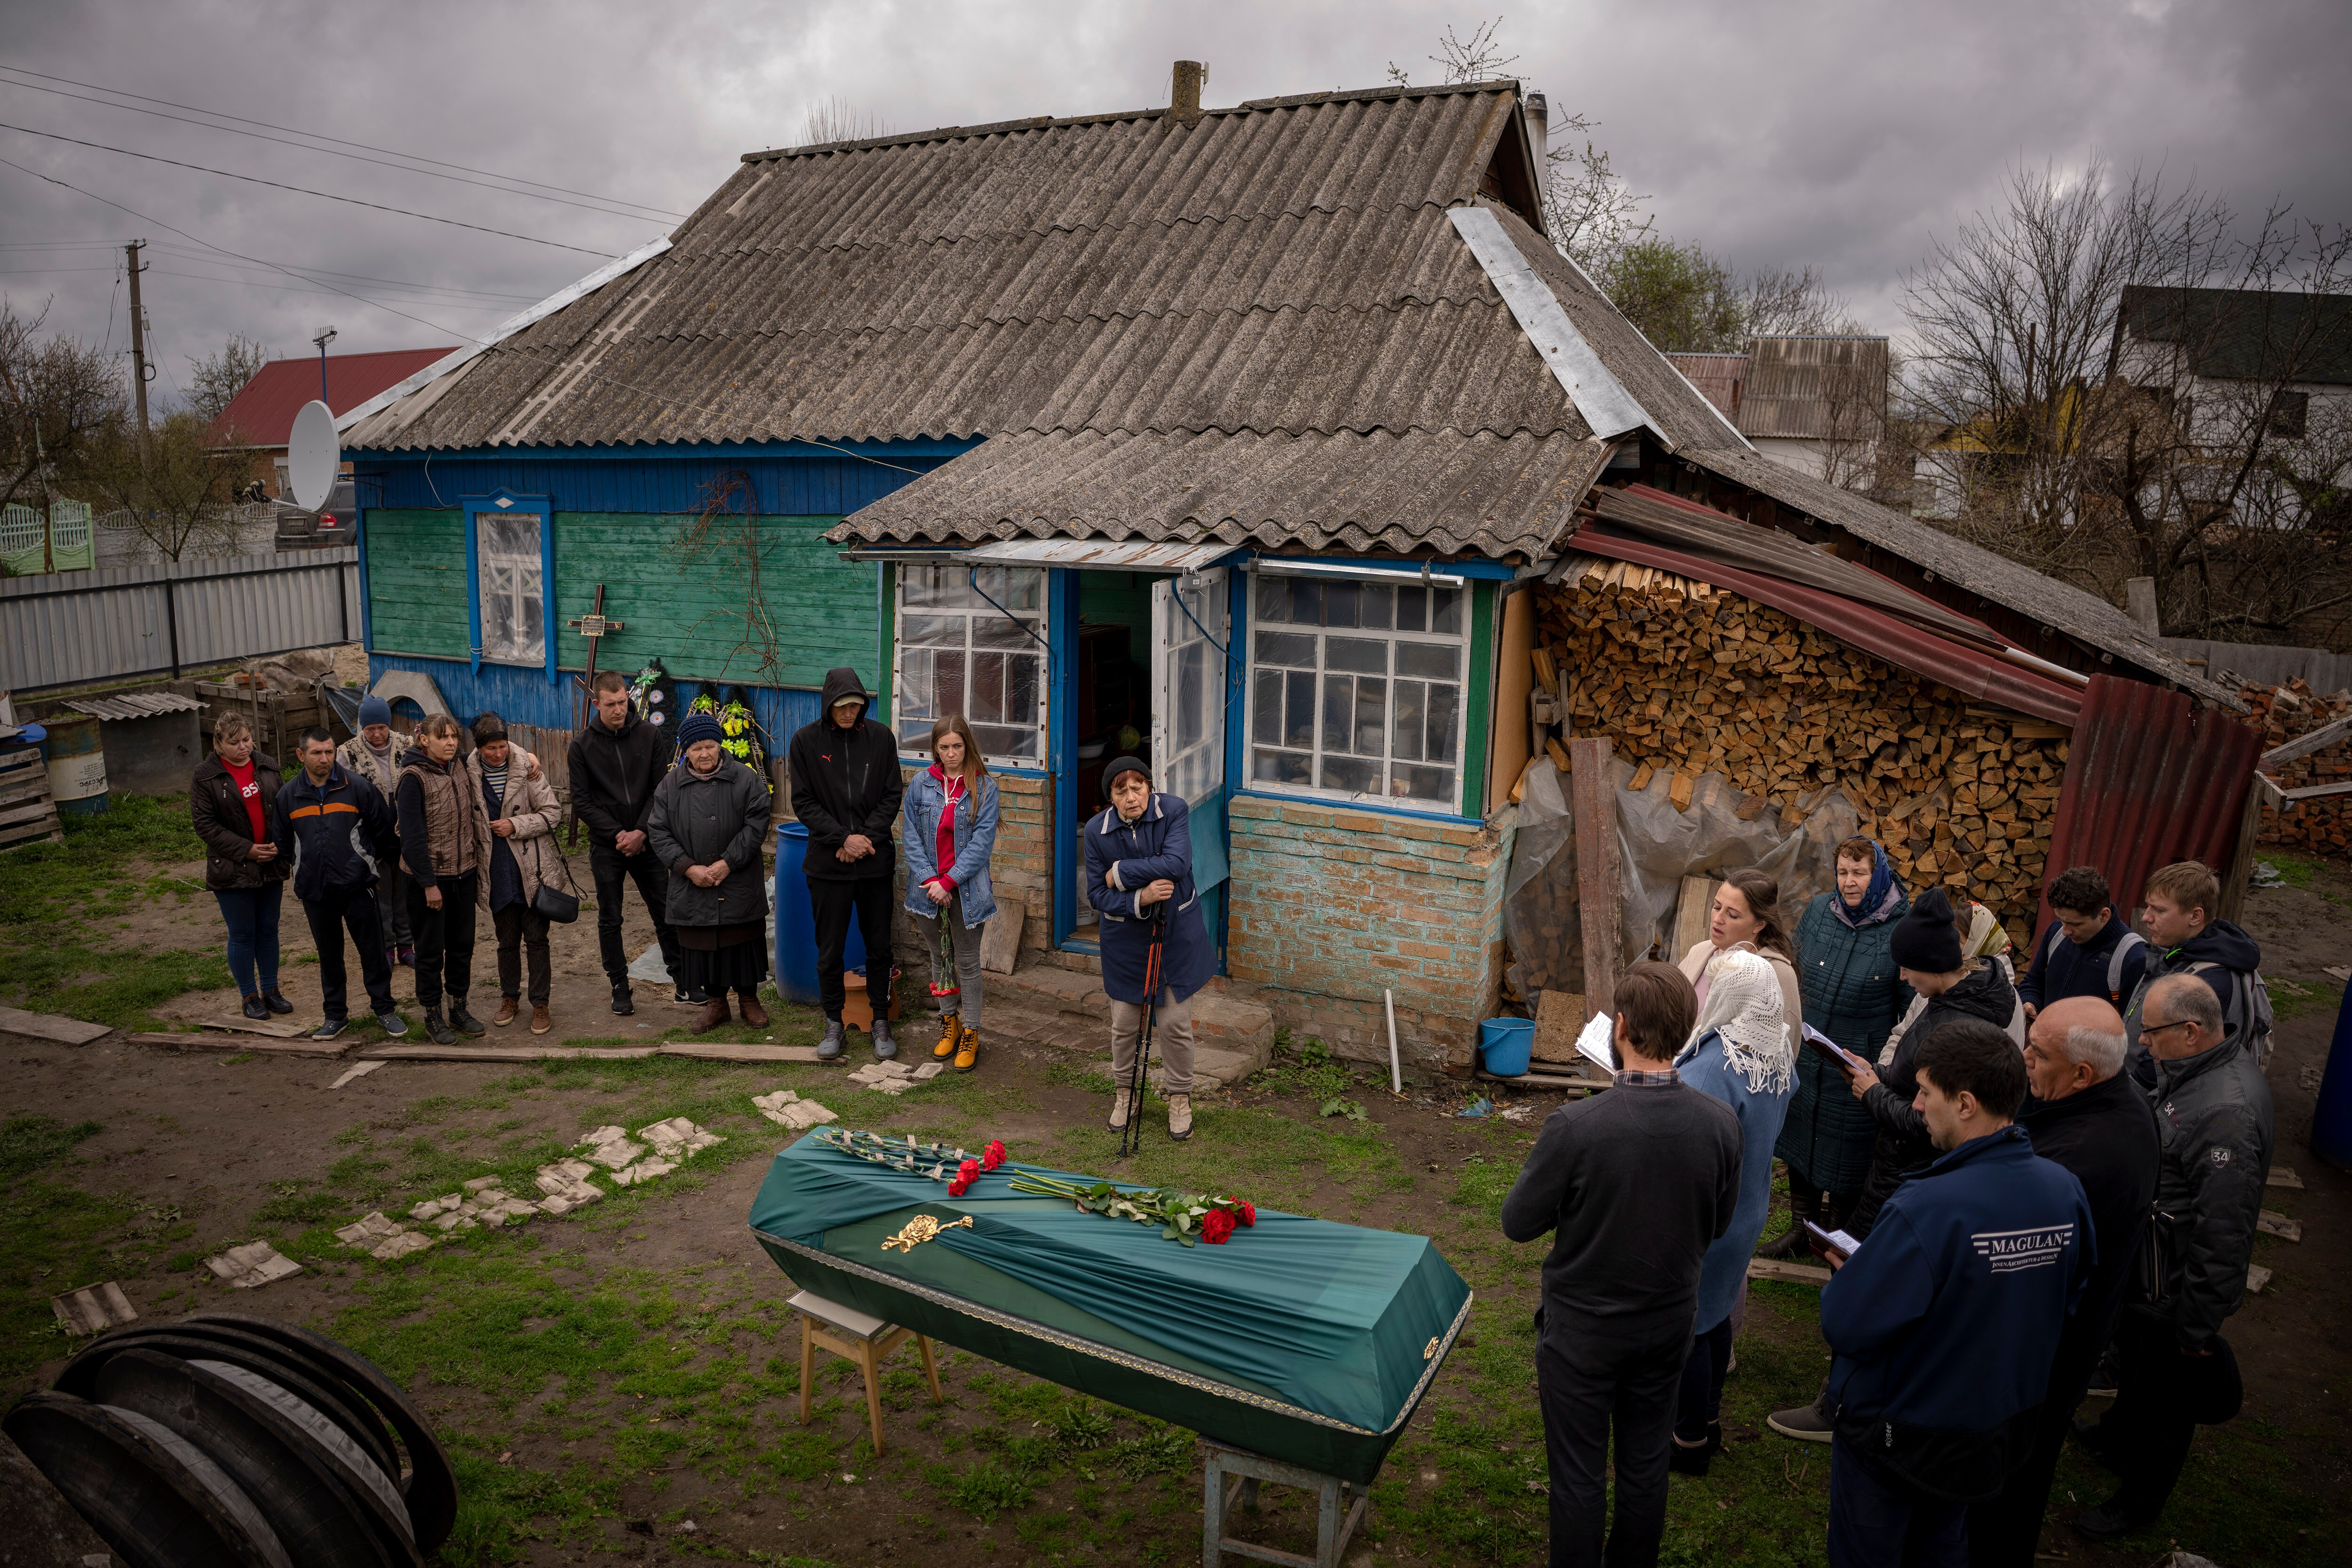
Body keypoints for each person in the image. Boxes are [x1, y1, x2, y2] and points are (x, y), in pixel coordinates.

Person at [1819, 1019, 2094, 1568]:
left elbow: (1846, 1323)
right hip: (1992, 1430)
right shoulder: (2063, 1190)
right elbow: (2069, 1290)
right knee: (1943, 1544)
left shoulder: (1926, 1207)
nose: (1917, 1106)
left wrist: (1855, 1275)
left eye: (1924, 1092)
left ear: (1964, 1103)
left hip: (1901, 1434)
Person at [1501, 962, 1741, 1568]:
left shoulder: (1576, 1128)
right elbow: (1715, 1226)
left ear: (1621, 1029)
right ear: (1686, 1032)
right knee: (1643, 1469)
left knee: (1579, 1478)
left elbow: (1517, 1223)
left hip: (1582, 1333)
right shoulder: (1719, 1126)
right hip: (1665, 1328)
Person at [1770, 887, 2021, 1444]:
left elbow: (1927, 1122)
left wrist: (1868, 1094)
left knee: (1862, 1279)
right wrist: (1877, 1074)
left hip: (1909, 1172)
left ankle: (1842, 1406)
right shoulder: (1946, 1002)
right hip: (1894, 1168)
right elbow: (1914, 1086)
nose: (1903, 978)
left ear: (1934, 964)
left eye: (1909, 968)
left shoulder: (1961, 1028)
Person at [2073, 972, 2273, 1541]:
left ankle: (2138, 1502)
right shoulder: (2194, 1072)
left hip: (2174, 1288)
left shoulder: (2225, 1113)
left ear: (2191, 1031)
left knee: (2166, 1403)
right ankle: (2117, 1435)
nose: (2142, 1042)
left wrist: (2196, 1325)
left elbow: (2224, 1231)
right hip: (2149, 1276)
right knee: (2136, 1369)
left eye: (2152, 1032)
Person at [1967, 996, 2158, 1566]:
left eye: (2037, 1052)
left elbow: (2015, 1258)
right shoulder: (2109, 1103)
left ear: (2082, 1073)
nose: (2023, 1057)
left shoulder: (2085, 1153)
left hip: (2044, 1352)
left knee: (2007, 1483)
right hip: (2057, 1335)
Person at [1669, 949, 1794, 1477]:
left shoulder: (1712, 1069)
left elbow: (1682, 1150)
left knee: (1692, 1326)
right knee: (1718, 1313)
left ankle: (1687, 1439)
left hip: (1706, 1216)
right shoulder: (1774, 1054)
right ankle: (1711, 1418)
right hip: (1747, 1207)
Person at [1776, 837, 1911, 1254]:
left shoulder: (1900, 926)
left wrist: (1886, 1064)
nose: (1849, 883)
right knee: (1802, 1138)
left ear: (1879, 875)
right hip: (1809, 1050)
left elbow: (1908, 1009)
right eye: (1843, 872)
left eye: (1859, 873)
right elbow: (1796, 966)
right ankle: (1802, 1229)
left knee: (1850, 1149)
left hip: (1858, 1061)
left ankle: (1835, 1236)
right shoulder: (1819, 911)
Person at [1085, 756, 1216, 1142]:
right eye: (1121, 791)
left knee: (1175, 1024)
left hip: (1175, 936)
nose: (1131, 797)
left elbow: (1177, 863)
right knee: (1125, 1025)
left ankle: (1180, 1098)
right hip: (1125, 943)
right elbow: (1095, 894)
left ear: (1150, 786)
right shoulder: (1096, 831)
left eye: (1138, 787)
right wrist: (1139, 896)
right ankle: (1125, 1094)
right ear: (1110, 797)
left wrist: (1119, 873)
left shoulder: (1173, 810)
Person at [788, 667, 904, 1061]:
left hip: (873, 863)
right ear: (828, 705)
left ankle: (880, 1019)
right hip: (827, 865)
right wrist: (841, 838)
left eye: (854, 705)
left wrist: (863, 839)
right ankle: (834, 1019)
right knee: (830, 948)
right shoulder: (806, 741)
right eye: (841, 706)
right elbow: (803, 801)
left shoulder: (881, 738)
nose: (848, 713)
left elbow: (891, 796)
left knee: (879, 946)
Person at [271, 726, 406, 1041]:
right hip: (316, 892)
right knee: (329, 955)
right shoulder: (288, 796)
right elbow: (281, 842)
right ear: (301, 755)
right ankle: (335, 1015)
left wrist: (365, 865)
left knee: (373, 952)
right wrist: (305, 870)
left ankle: (385, 1009)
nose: (325, 758)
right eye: (317, 753)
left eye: (330, 751)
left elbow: (384, 832)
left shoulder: (358, 788)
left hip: (359, 887)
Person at [568, 669, 686, 1017]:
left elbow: (659, 789)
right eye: (611, 704)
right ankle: (619, 985)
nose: (619, 709)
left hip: (647, 839)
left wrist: (641, 832)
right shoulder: (582, 747)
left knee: (666, 910)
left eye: (623, 702)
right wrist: (618, 834)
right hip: (608, 846)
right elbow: (582, 800)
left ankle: (683, 981)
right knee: (610, 917)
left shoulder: (649, 734)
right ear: (596, 703)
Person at [649, 710, 775, 1033]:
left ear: (720, 746)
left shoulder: (746, 779)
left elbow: (757, 821)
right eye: (696, 748)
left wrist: (728, 862)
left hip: (737, 879)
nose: (704, 753)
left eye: (709, 746)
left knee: (742, 941)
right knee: (704, 946)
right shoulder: (669, 786)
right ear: (685, 751)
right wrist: (688, 868)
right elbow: (658, 832)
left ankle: (749, 1000)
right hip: (692, 884)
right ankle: (716, 1005)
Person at [903, 715, 1000, 1074]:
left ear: (968, 745)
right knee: (938, 957)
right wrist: (931, 880)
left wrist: (950, 882)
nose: (951, 753)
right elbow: (910, 836)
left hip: (967, 892)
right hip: (927, 890)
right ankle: (950, 1023)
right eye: (944, 747)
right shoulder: (920, 785)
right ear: (935, 749)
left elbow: (981, 845)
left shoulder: (985, 788)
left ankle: (971, 1030)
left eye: (957, 746)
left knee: (968, 963)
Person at [396, 714, 491, 1045]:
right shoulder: (413, 778)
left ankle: (459, 1008)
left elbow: (499, 750)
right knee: (430, 950)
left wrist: (532, 758)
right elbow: (411, 837)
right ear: (425, 740)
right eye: (443, 737)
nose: (451, 742)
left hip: (463, 874)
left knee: (462, 945)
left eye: (453, 736)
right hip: (428, 881)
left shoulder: (461, 766)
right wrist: (428, 883)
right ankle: (432, 1014)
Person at [2122, 860, 2267, 1075]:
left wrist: (2128, 1097)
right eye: (2149, 906)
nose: (2146, 917)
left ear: (2195, 916)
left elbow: (2166, 1065)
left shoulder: (2207, 983)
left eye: (2160, 910)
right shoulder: (2174, 953)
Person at [465, 714, 563, 1035]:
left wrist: (515, 825)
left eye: (502, 746)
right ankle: (509, 997)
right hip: (495, 870)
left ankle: (541, 1002)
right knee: (506, 941)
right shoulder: (469, 773)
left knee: (537, 938)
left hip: (532, 868)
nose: (498, 753)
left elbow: (552, 813)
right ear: (479, 749)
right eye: (491, 748)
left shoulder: (527, 767)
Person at [191, 712, 291, 1021]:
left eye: (246, 739)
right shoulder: (205, 777)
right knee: (243, 933)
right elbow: (205, 825)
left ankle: (271, 991)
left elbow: (285, 805)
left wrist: (278, 842)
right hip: (233, 867)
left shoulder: (267, 765)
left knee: (268, 929)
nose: (243, 747)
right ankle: (249, 995)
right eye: (234, 742)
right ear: (219, 744)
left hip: (271, 862)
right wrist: (247, 850)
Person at [336, 693, 415, 970]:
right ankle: (387, 948)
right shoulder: (347, 753)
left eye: (382, 727)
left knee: (404, 892)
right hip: (371, 835)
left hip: (405, 831)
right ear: (362, 728)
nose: (378, 734)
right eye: (370, 729)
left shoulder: (408, 744)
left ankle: (407, 945)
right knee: (381, 896)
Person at [1675, 869, 1802, 1031]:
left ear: (1759, 924)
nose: (1717, 918)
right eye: (1716, 907)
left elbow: (1782, 1049)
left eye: (1732, 915)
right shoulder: (1700, 952)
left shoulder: (1778, 973)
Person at [2016, 867, 2147, 1021]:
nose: (2066, 931)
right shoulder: (2056, 932)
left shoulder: (2133, 957)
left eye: (2076, 924)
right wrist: (2030, 1001)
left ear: (2104, 915)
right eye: (2062, 920)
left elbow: (2132, 1027)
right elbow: (2034, 981)